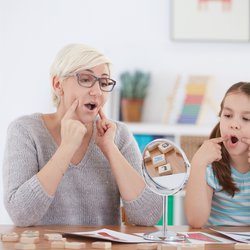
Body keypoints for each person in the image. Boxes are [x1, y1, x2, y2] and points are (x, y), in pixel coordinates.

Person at [3, 43, 162, 227]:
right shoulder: (25, 131)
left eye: (103, 83)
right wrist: (66, 148)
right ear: (57, 85)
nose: (97, 92)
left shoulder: (118, 135)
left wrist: (110, 149)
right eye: (85, 79)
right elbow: (20, 214)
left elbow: (148, 216)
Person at [185, 82, 250, 228]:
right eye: (227, 115)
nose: (234, 124)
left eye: (246, 118)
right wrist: (198, 164)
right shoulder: (211, 165)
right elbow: (196, 221)